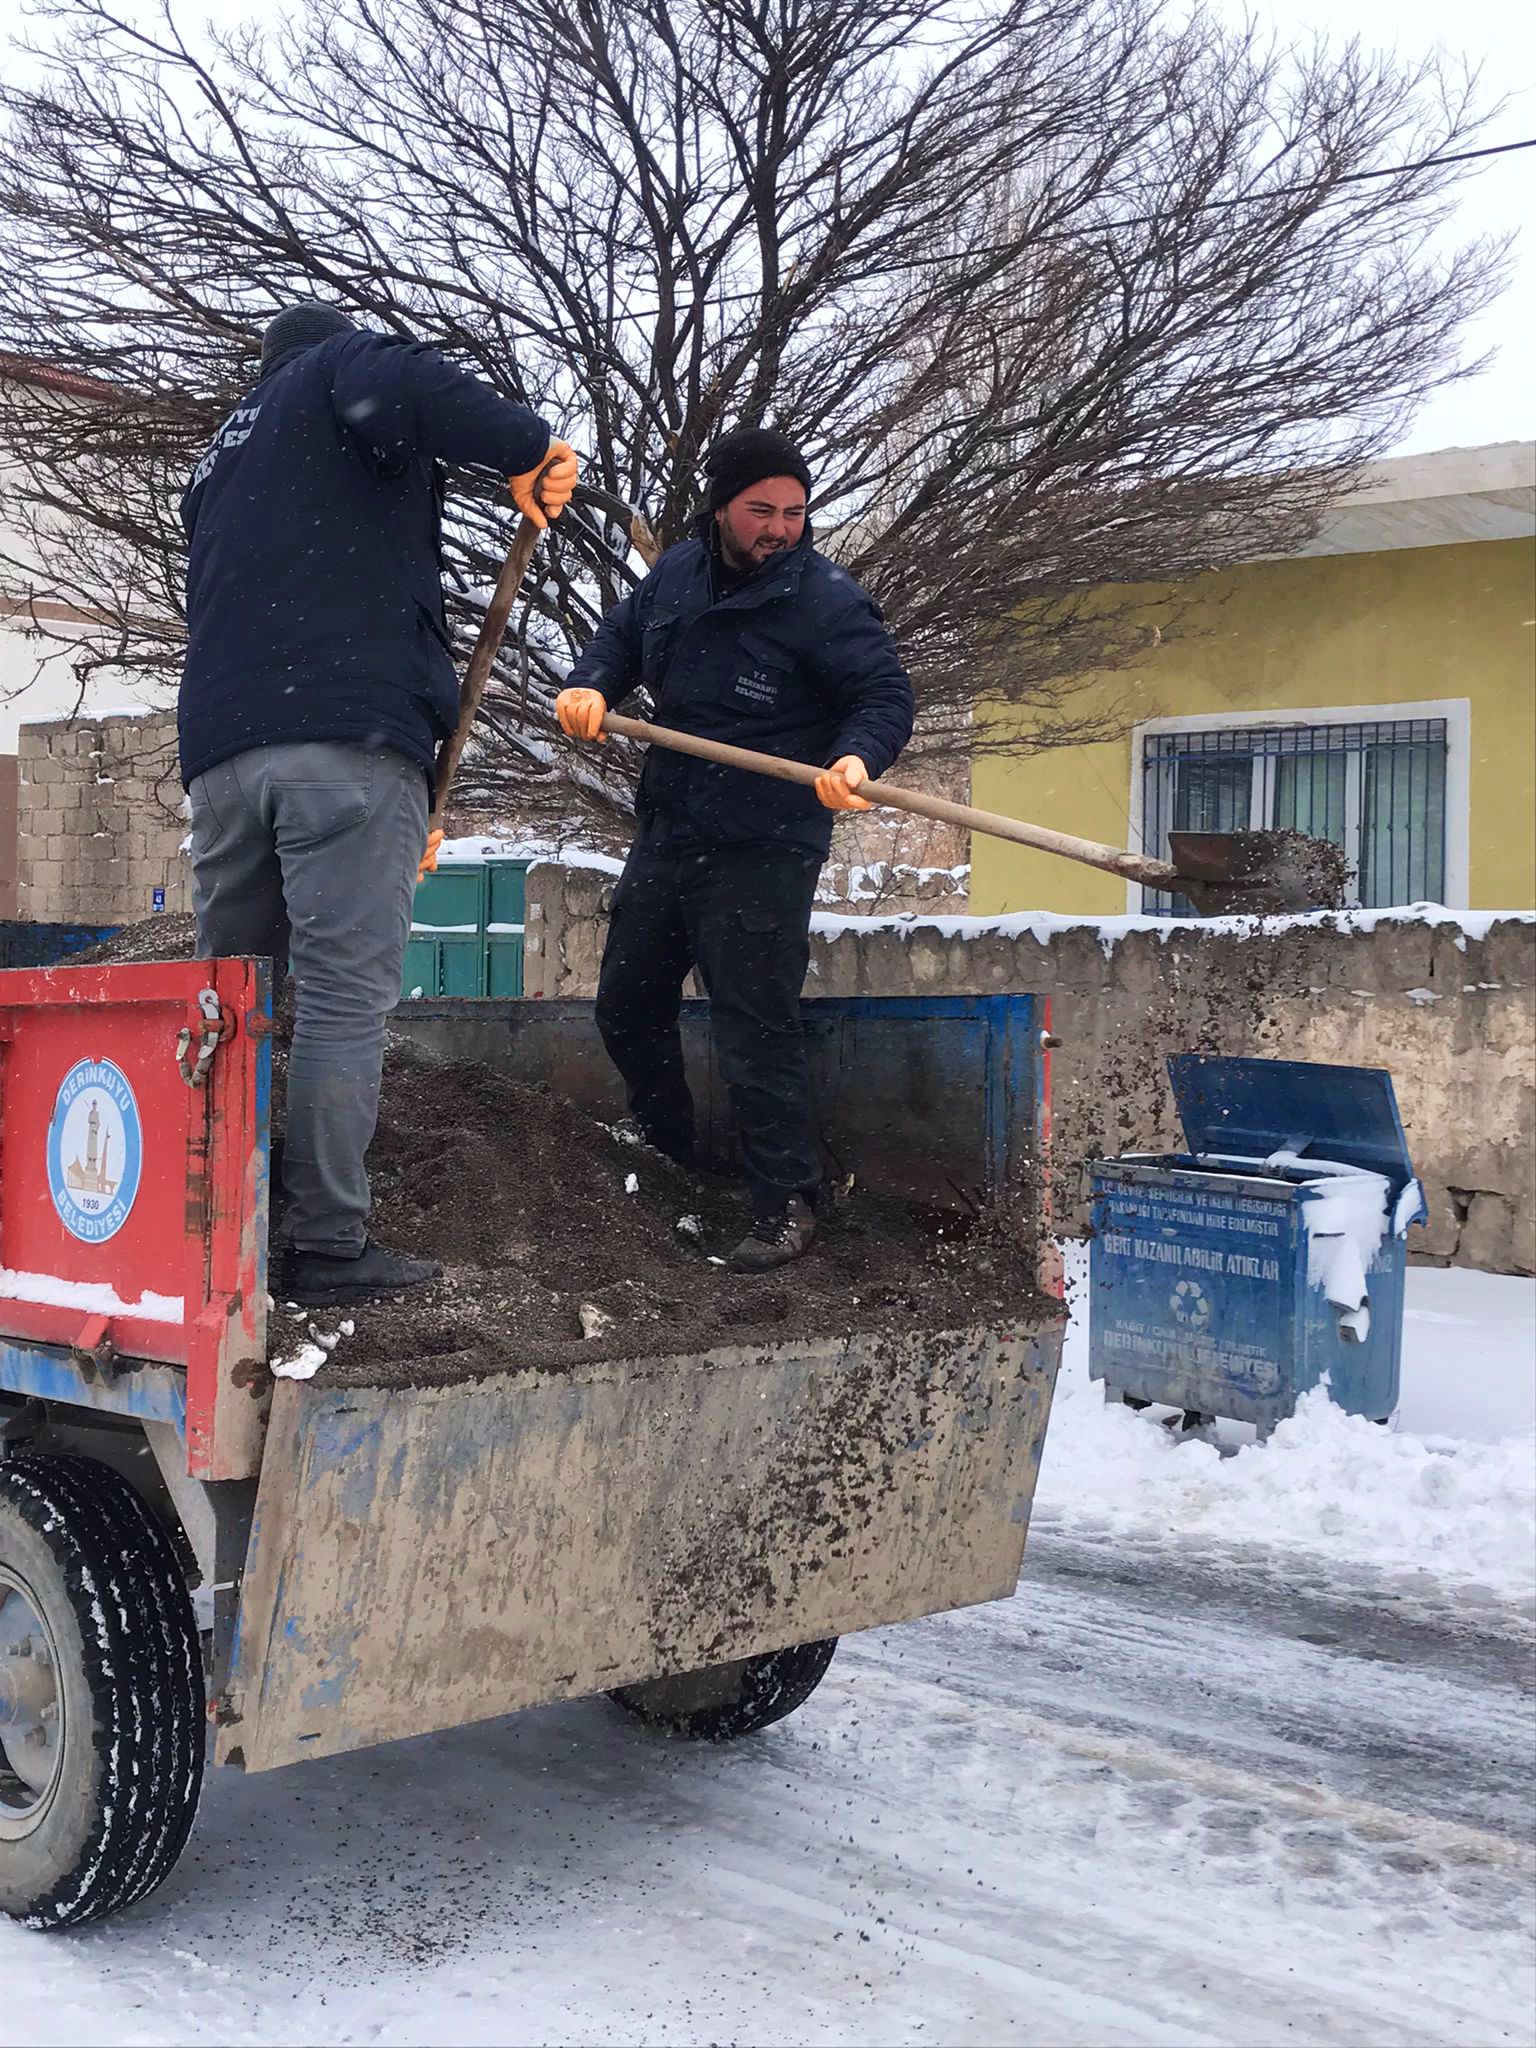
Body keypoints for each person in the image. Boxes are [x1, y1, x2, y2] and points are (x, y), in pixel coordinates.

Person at [179, 303, 577, 1307]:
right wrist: (527, 446)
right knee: (343, 1005)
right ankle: (328, 1243)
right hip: (345, 743)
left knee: (232, 1000)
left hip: (225, 760)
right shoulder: (330, 378)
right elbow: (398, 379)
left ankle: (221, 1219)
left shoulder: (220, 460)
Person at [556, 426, 914, 1273]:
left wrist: (856, 756)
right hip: (671, 825)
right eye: (762, 511)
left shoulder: (826, 599)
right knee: (626, 1005)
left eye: (795, 512)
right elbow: (619, 640)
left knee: (755, 1024)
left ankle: (786, 1202)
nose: (780, 528)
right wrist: (592, 684)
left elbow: (883, 691)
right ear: (722, 508)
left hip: (766, 837)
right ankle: (673, 1156)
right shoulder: (676, 573)